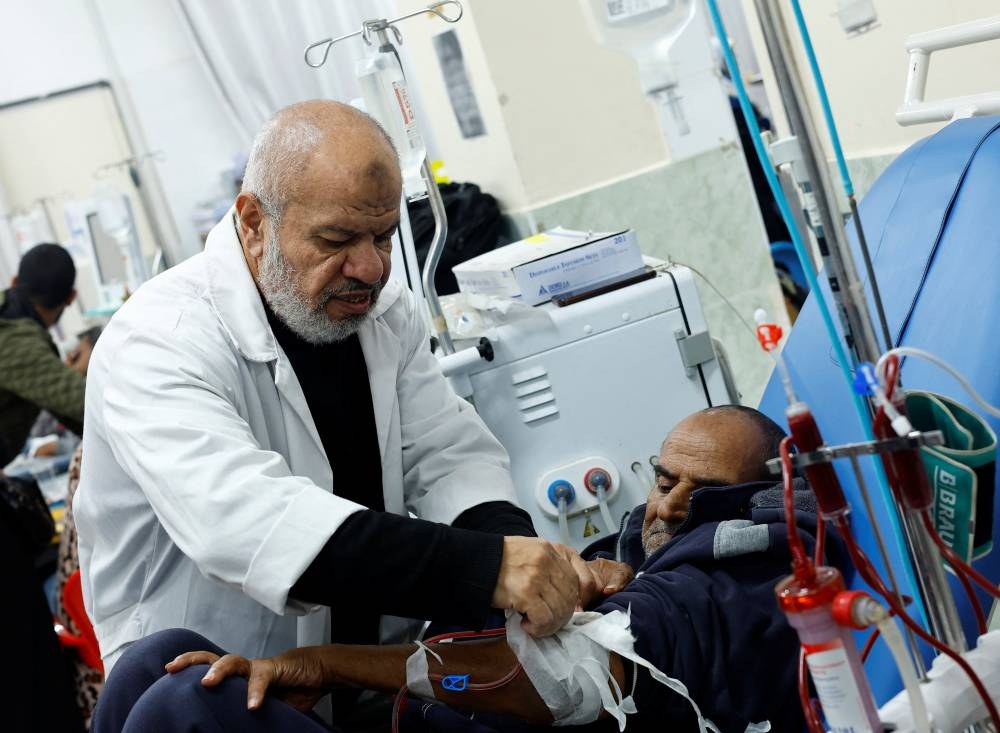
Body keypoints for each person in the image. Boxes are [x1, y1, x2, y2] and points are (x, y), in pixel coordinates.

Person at [74, 100, 613, 714]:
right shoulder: (159, 339)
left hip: (355, 669)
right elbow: (248, 523)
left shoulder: (383, 313)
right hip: (211, 679)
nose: (370, 268)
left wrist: (517, 557)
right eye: (336, 239)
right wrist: (486, 567)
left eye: (382, 237)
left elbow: (446, 455)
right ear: (253, 222)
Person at [92, 405, 840, 733]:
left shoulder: (722, 587)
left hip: (454, 718)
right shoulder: (635, 557)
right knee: (155, 660)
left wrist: (328, 662)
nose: (668, 505)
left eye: (700, 493)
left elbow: (526, 677)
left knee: (186, 707)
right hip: (428, 722)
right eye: (665, 477)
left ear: (752, 500)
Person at [0, 242, 90, 465]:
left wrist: (67, 372)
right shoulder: (18, 343)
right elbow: (91, 406)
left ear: (14, 281)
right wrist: (93, 367)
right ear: (71, 297)